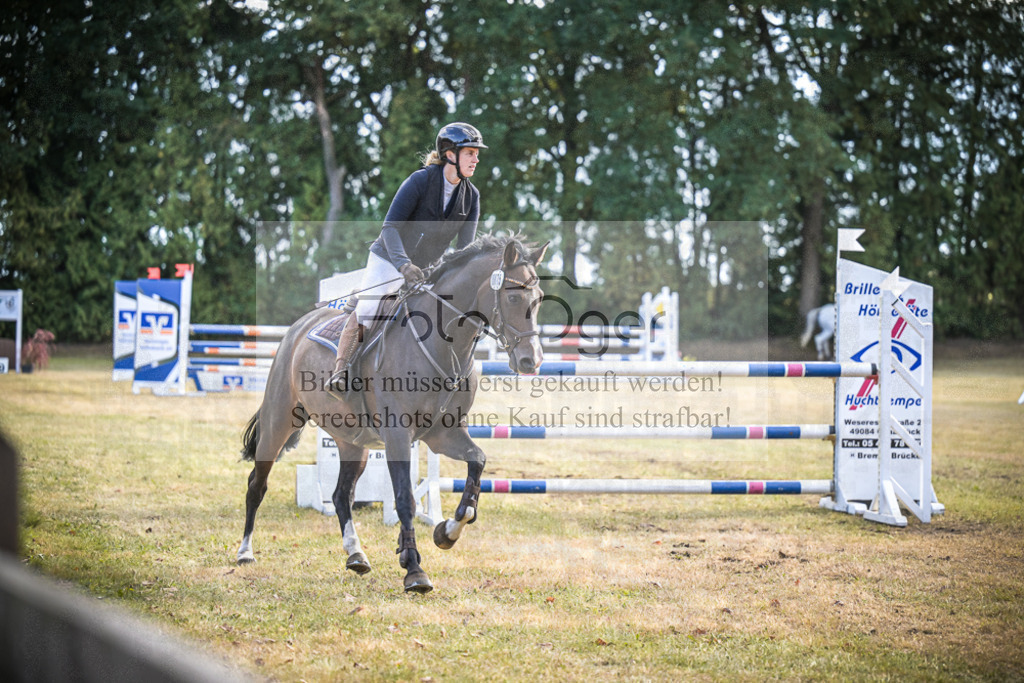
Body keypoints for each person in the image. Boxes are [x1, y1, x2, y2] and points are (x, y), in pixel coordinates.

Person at [330, 122, 487, 383]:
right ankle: (341, 370)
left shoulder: (472, 196)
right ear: (450, 154)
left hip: (427, 270)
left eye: (476, 153)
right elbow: (390, 228)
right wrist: (403, 265)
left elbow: (464, 251)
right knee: (370, 309)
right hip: (389, 259)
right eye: (470, 152)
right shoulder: (421, 180)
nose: (476, 159)